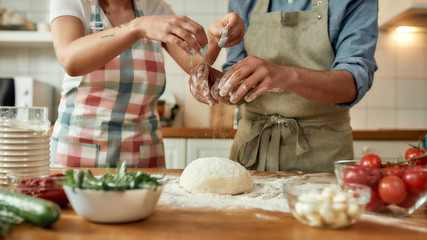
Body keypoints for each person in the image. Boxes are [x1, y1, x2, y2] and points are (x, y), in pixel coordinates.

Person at [49, 0, 245, 168]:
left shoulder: (152, 6)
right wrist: (138, 27)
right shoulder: (75, 3)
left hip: (144, 153)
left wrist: (216, 37)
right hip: (78, 152)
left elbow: (194, 63)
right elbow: (71, 59)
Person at [189, 0, 378, 172]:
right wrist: (219, 85)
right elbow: (238, 81)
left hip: (322, 152)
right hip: (252, 149)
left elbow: (352, 84)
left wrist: (288, 76)